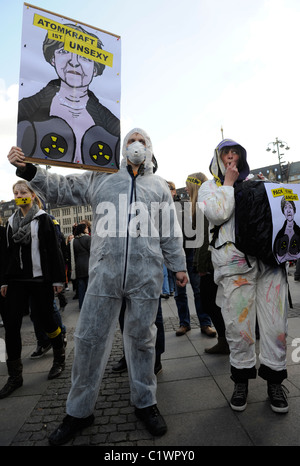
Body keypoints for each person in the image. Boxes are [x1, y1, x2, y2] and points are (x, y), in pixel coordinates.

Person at [8, 127, 188, 444]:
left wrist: (179, 266)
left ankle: (146, 403)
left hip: (144, 275)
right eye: (131, 140)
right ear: (122, 148)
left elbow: (169, 231)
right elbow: (61, 189)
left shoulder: (159, 186)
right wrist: (29, 170)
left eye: (142, 141)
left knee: (144, 340)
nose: (136, 144)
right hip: (104, 273)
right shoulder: (99, 175)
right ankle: (79, 411)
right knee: (89, 340)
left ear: (150, 148)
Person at [198, 139, 289, 413]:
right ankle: (241, 381)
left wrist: (267, 191)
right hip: (234, 267)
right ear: (217, 158)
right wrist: (228, 183)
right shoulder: (209, 187)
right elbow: (217, 213)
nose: (231, 156)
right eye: (225, 153)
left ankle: (275, 381)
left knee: (276, 327)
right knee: (239, 330)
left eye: (235, 152)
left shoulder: (255, 181)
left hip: (269, 264)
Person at [18, 24, 120, 167]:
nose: (74, 62)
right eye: (64, 51)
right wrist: (22, 167)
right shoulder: (26, 109)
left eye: (85, 57)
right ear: (53, 58)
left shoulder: (112, 125)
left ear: (95, 69)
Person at [0, 180, 66, 399]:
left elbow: (53, 250)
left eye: (23, 192)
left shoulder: (43, 219)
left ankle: (59, 355)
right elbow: (7, 254)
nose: (20, 195)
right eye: (16, 192)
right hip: (17, 280)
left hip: (40, 279)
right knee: (11, 326)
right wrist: (4, 281)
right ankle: (15, 376)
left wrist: (58, 280)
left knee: (47, 320)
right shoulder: (10, 222)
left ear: (31, 194)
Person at [185, 173, 229, 354]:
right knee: (216, 301)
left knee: (209, 302)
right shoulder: (209, 200)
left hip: (210, 262)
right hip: (216, 258)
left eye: (187, 186)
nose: (186, 189)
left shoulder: (202, 205)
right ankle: (227, 338)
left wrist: (201, 267)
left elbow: (204, 238)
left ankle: (225, 340)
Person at [168, 181, 215, 337]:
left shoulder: (185, 204)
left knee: (198, 289)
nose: (168, 192)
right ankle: (184, 323)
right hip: (174, 253)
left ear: (175, 191)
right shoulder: (162, 207)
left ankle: (205, 323)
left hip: (190, 251)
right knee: (179, 292)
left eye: (170, 189)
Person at [70, 223, 91, 309]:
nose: (88, 229)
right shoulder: (88, 238)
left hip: (78, 266)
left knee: (81, 288)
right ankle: (89, 306)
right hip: (88, 265)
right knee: (89, 288)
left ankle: (81, 306)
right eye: (86, 228)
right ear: (83, 229)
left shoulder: (73, 241)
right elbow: (92, 252)